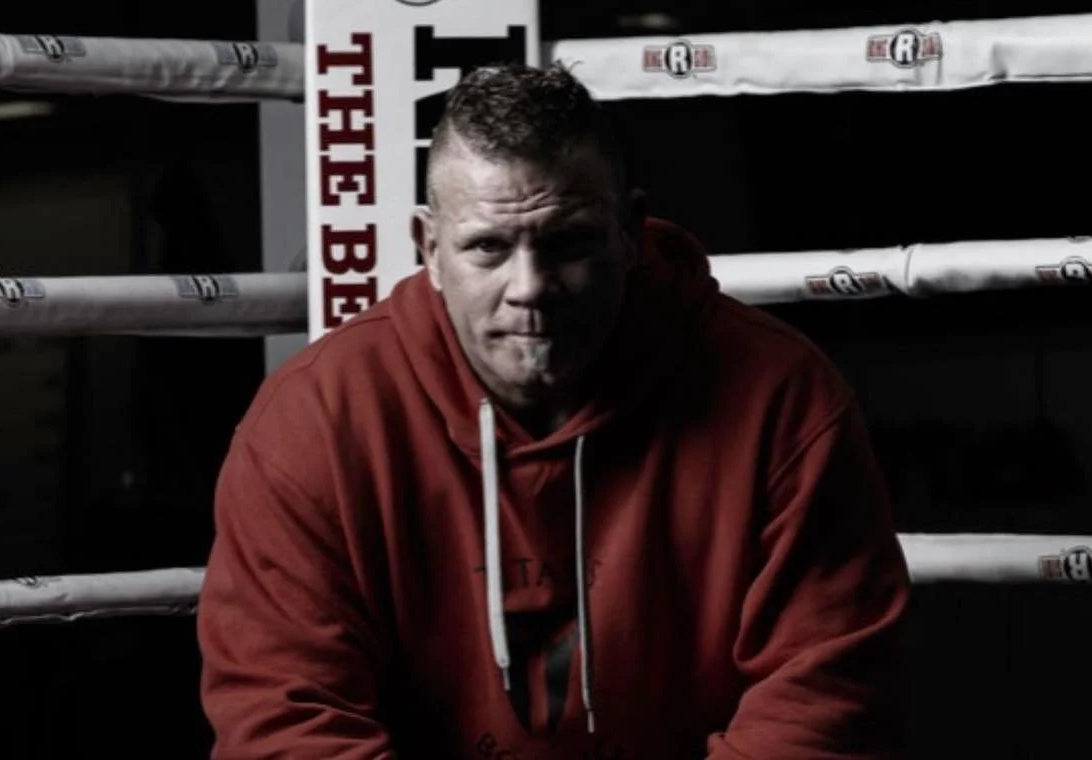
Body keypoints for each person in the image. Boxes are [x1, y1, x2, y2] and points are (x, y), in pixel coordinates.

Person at [197, 63, 911, 759]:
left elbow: (822, 699)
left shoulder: (780, 397)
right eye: (488, 248)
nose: (530, 287)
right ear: (430, 248)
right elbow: (285, 719)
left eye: (567, 243)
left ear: (629, 232)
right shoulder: (314, 423)